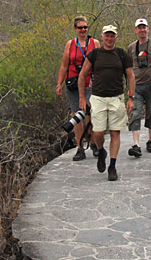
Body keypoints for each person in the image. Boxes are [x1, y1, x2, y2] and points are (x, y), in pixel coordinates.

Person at [78, 25, 134, 182]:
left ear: (116, 37)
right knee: (97, 132)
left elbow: (130, 76)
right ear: (102, 37)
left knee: (115, 132)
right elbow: (82, 75)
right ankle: (101, 151)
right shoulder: (94, 54)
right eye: (107, 36)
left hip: (116, 98)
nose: (110, 39)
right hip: (98, 98)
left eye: (112, 36)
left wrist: (131, 97)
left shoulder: (122, 54)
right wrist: (82, 98)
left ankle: (112, 166)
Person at [56, 16, 100, 160]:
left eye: (85, 27)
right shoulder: (70, 44)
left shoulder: (95, 43)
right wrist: (59, 84)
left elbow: (101, 63)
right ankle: (80, 148)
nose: (83, 30)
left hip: (90, 82)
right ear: (75, 29)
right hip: (73, 83)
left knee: (89, 113)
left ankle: (93, 143)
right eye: (80, 27)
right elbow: (64, 65)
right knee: (76, 115)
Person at [127, 18, 151, 157]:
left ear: (148, 29)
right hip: (137, 86)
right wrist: (129, 87)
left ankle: (150, 141)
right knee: (135, 114)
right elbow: (129, 69)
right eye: (139, 27)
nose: (142, 30)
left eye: (144, 27)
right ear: (136, 30)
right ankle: (136, 145)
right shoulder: (132, 47)